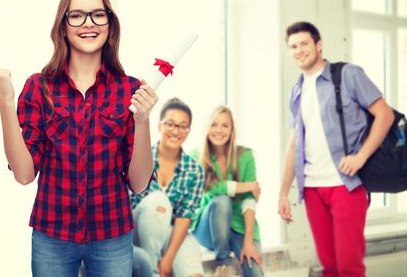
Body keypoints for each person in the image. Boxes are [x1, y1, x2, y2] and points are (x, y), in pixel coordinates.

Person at [0, 0, 158, 277]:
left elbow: (139, 183)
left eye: (98, 15)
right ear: (62, 26)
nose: (88, 23)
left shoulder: (130, 90)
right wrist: (5, 99)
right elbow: (24, 174)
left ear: (110, 25)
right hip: (52, 236)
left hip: (112, 235)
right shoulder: (38, 88)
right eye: (76, 15)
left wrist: (142, 120)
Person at [278, 21, 394, 277]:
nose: (299, 50)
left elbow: (384, 115)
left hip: (346, 185)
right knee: (329, 268)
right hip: (312, 188)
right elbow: (294, 143)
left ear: (318, 45)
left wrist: (361, 157)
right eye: (293, 46)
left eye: (304, 43)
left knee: (349, 268)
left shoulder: (348, 75)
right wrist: (284, 192)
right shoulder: (297, 90)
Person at [130, 97, 204, 277]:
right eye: (170, 124)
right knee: (158, 201)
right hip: (135, 228)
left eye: (182, 126)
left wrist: (169, 258)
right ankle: (152, 271)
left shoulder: (194, 170)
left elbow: (184, 217)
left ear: (188, 130)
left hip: (171, 232)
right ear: (159, 126)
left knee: (193, 271)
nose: (176, 131)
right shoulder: (140, 156)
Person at [191, 106, 264, 277]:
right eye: (214, 124)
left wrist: (248, 241)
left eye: (225, 125)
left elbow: (249, 200)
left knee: (254, 270)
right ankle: (223, 265)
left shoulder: (245, 156)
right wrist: (246, 186)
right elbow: (209, 188)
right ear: (207, 128)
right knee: (221, 200)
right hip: (207, 227)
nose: (219, 130)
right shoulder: (197, 156)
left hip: (238, 227)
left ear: (232, 131)